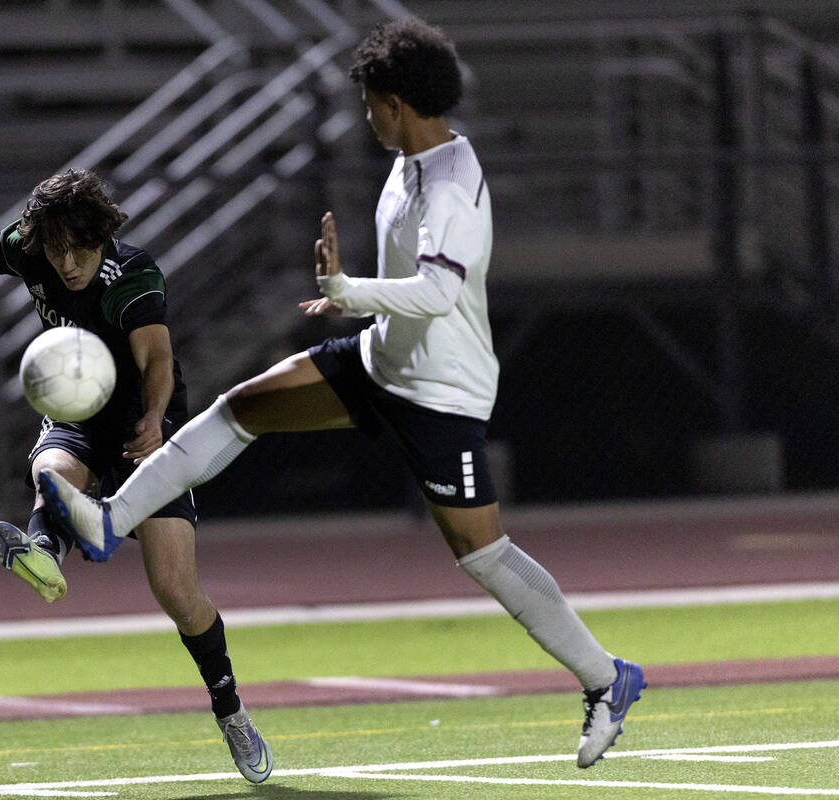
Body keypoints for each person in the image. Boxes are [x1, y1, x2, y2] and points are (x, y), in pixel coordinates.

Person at [35, 17, 645, 769]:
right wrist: (350, 301)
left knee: (481, 553)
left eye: (369, 102)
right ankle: (108, 521)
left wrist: (348, 289)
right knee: (241, 407)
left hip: (440, 393)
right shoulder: (411, 162)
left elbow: (439, 293)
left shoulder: (451, 183)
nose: (364, 114)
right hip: (381, 361)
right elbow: (411, 287)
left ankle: (605, 677)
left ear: (396, 102)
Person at [0, 167, 272, 784]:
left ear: (101, 236)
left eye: (81, 249)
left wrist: (153, 420)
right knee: (49, 467)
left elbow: (158, 356)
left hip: (145, 425)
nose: (67, 263)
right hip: (79, 409)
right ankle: (45, 548)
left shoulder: (134, 274)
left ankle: (229, 706)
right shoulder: (32, 245)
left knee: (177, 592)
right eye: (57, 248)